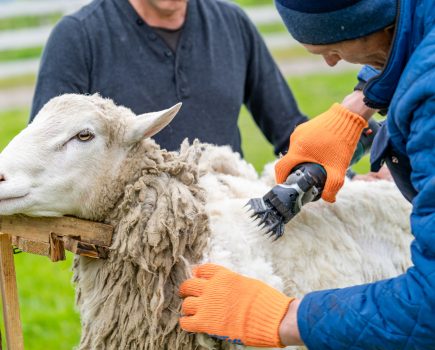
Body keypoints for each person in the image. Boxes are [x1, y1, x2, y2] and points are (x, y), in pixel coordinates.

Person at [179, 0, 435, 348]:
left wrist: (282, 317)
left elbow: (429, 306)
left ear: (367, 20)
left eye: (330, 46)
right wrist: (355, 108)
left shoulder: (429, 100)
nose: (330, 61)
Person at [29, 0, 308, 157]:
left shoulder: (232, 23)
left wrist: (334, 171)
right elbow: (43, 149)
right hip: (127, 239)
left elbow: (287, 127)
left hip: (226, 226)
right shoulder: (79, 36)